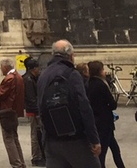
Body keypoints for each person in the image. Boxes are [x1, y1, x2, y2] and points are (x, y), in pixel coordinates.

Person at [36, 40, 99, 168]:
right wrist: (94, 139)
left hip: (51, 139)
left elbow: (40, 106)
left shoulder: (43, 75)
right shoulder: (72, 74)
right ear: (71, 55)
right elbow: (84, 107)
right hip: (75, 139)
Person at [86, 61, 123, 168]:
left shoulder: (87, 84)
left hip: (96, 121)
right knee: (103, 153)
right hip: (105, 122)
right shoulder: (101, 84)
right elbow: (112, 104)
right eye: (102, 69)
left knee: (115, 149)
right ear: (99, 71)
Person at [0, 59, 26, 168]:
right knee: (14, 138)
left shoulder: (10, 78)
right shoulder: (18, 77)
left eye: (1, 67)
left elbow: (0, 94)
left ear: (5, 67)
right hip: (14, 111)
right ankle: (21, 163)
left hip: (7, 111)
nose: (0, 69)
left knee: (9, 139)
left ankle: (16, 164)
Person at [26, 57, 46, 167]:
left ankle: (39, 155)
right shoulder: (29, 80)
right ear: (33, 69)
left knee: (38, 133)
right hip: (33, 111)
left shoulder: (32, 78)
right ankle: (36, 157)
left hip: (34, 110)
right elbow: (31, 98)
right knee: (35, 134)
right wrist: (37, 112)